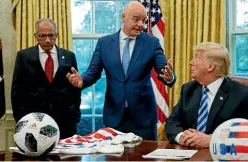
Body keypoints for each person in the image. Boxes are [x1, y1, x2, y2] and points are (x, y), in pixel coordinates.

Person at [67, 1, 176, 140]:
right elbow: (93, 73)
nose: (141, 25)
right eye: (136, 19)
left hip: (143, 119)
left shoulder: (152, 42)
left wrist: (169, 77)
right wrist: (81, 80)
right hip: (114, 118)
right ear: (123, 17)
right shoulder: (104, 43)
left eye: (144, 20)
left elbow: (164, 70)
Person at [165, 42, 248, 148]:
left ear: (210, 66)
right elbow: (172, 121)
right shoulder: (189, 89)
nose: (191, 62)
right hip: (188, 154)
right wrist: (182, 137)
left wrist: (214, 139)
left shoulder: (243, 95)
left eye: (197, 58)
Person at [11, 18, 81, 139]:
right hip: (33, 121)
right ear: (35, 36)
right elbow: (17, 90)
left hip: (64, 121)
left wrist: (76, 115)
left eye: (51, 35)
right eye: (42, 36)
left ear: (57, 35)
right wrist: (19, 118)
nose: (48, 40)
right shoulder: (23, 56)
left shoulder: (69, 56)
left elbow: (75, 89)